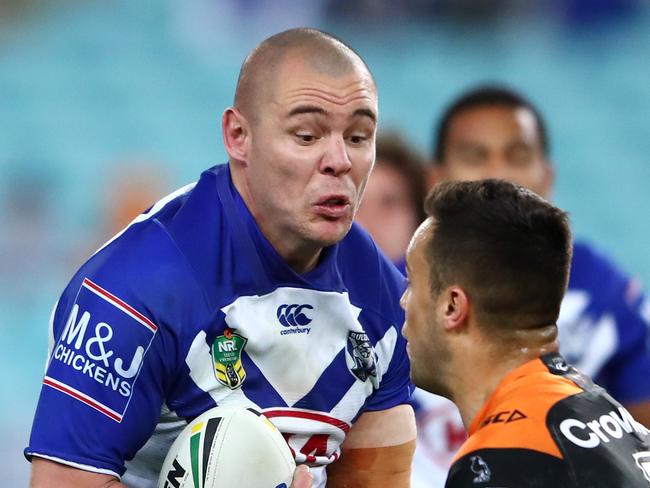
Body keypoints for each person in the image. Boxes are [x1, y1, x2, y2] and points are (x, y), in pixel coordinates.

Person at [25, 28, 416, 488]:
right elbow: (61, 484)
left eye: (358, 136)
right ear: (238, 136)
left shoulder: (382, 297)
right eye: (307, 135)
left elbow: (380, 477)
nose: (339, 160)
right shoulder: (136, 286)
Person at [402, 178, 650, 487]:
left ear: (453, 306)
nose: (403, 301)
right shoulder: (606, 414)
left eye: (411, 282)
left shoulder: (502, 461)